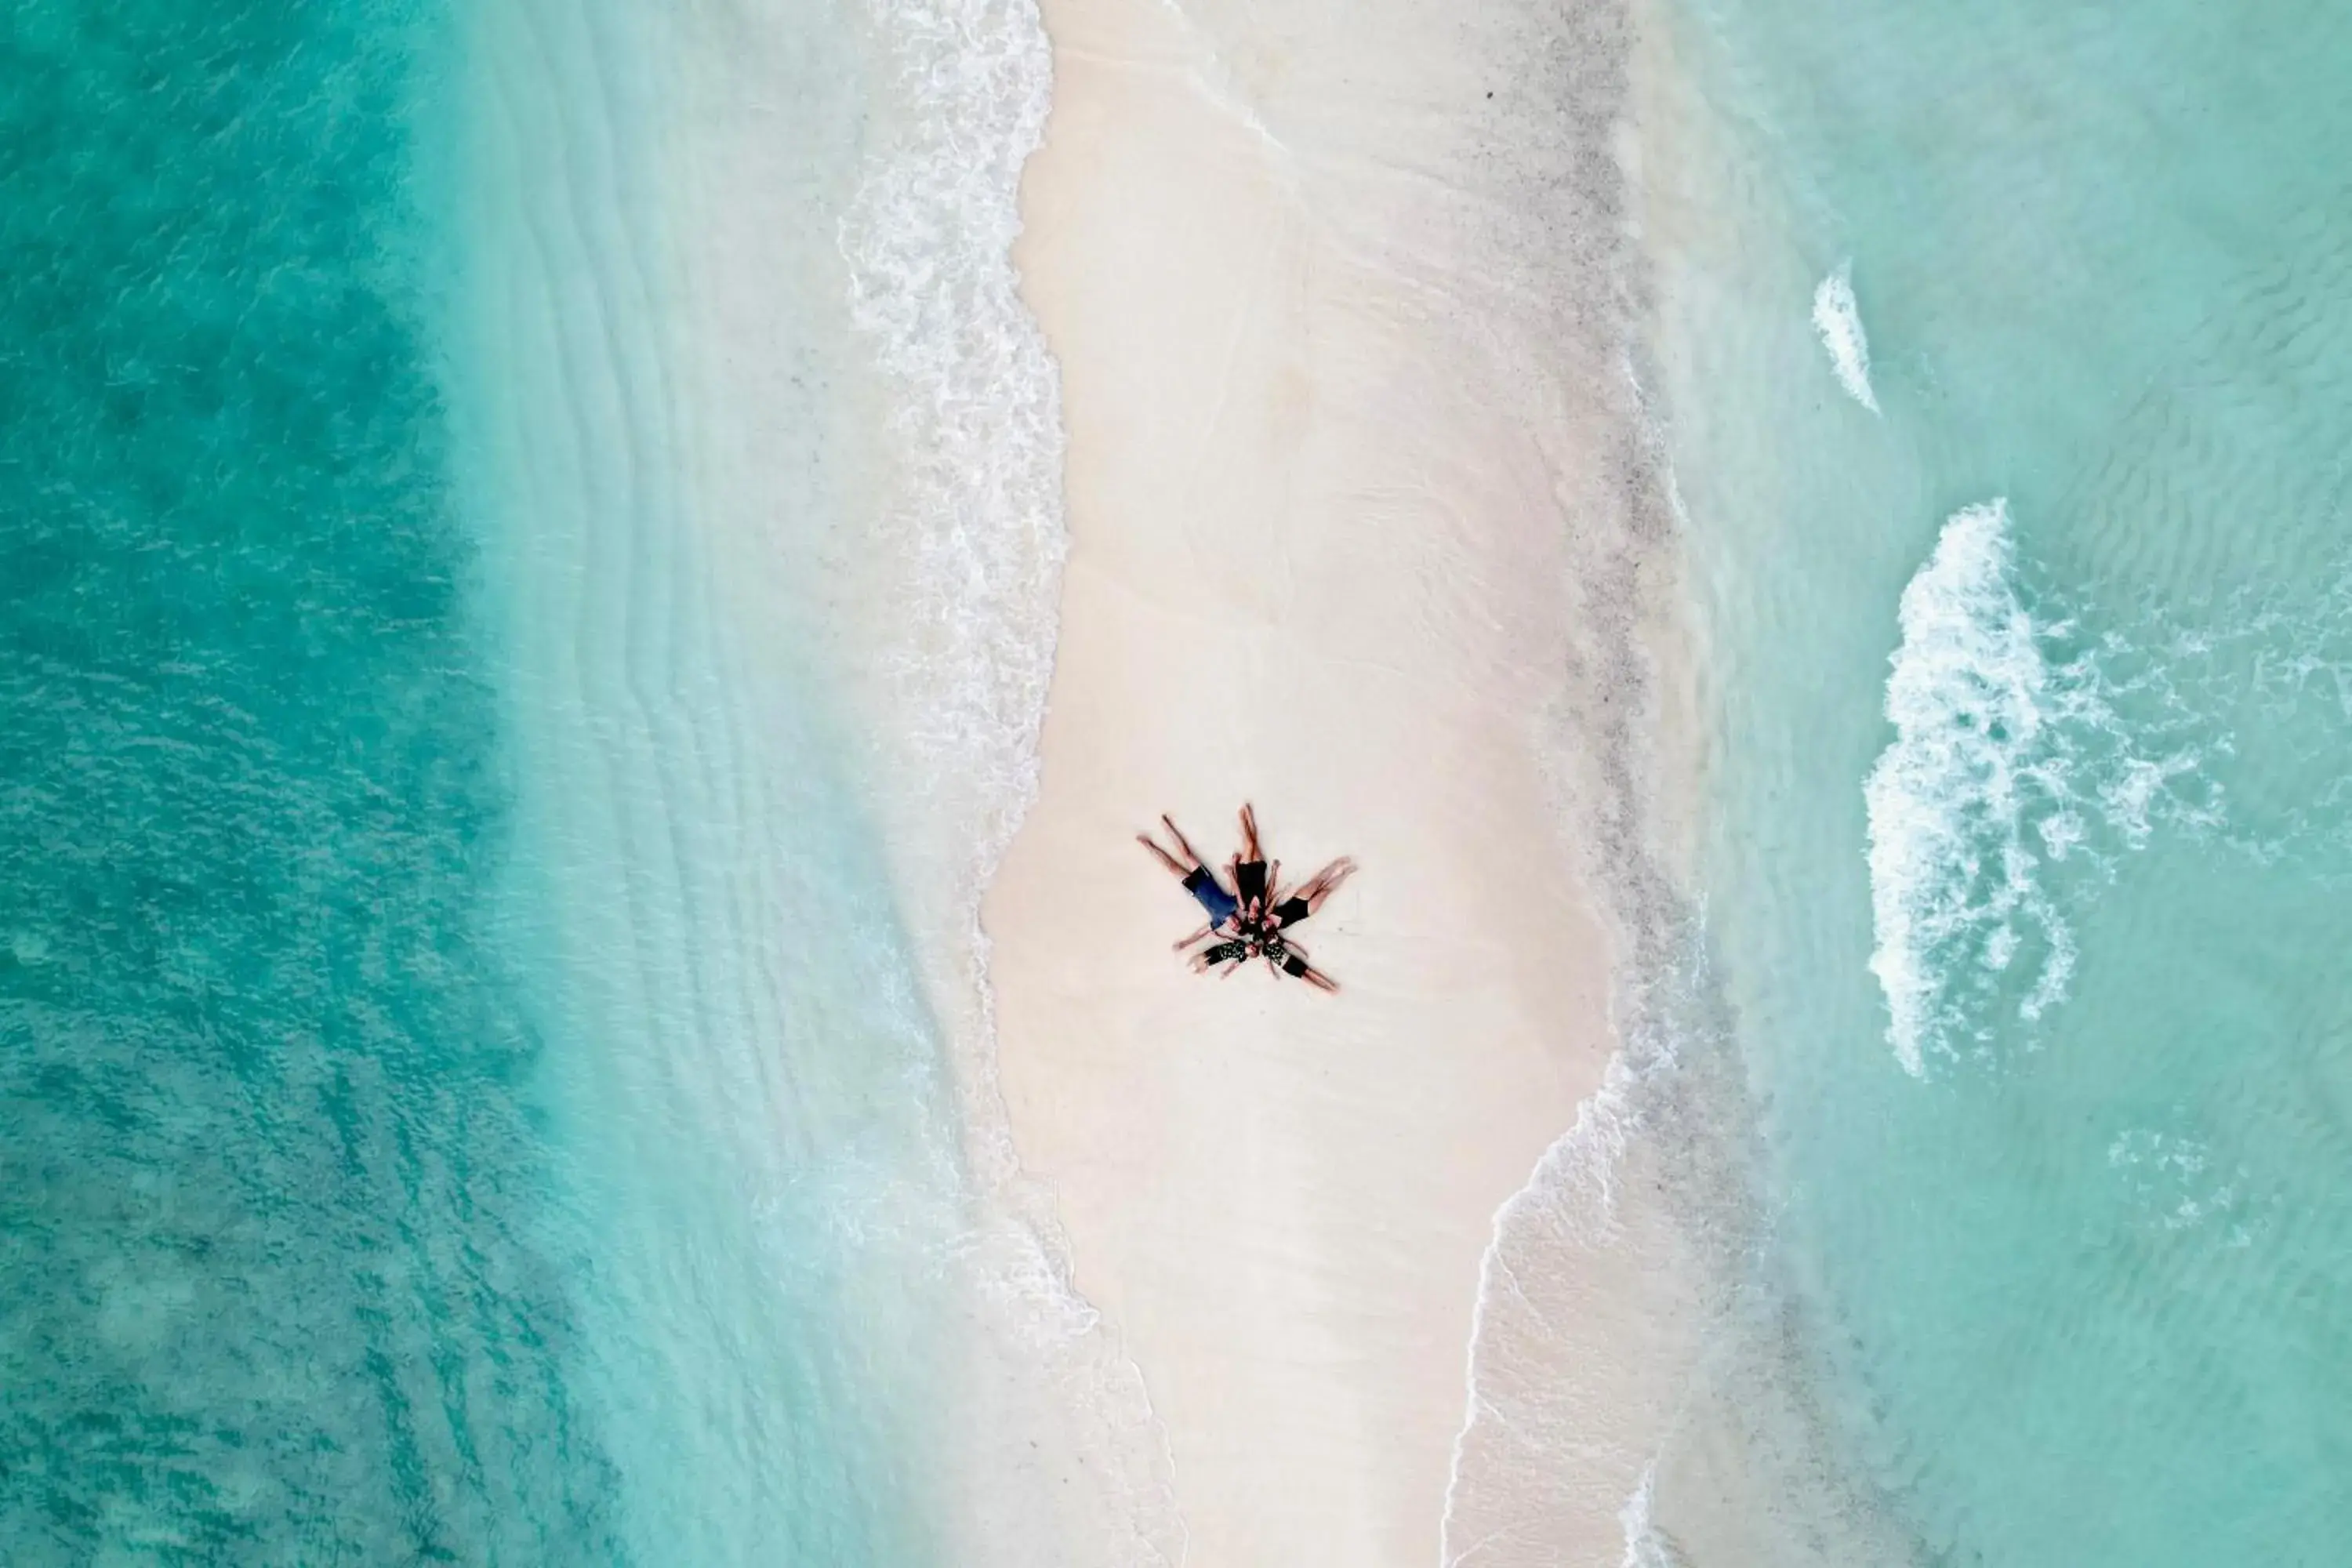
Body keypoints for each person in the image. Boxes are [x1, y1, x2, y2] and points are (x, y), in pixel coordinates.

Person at [1138, 815, 1240, 930]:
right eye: (1238, 924)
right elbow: (1234, 888)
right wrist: (1234, 865)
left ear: (1230, 928)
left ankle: (1148, 845)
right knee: (1186, 853)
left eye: (1234, 928)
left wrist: (1185, 943)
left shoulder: (1218, 922)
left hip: (1194, 889)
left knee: (1171, 866)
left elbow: (1201, 933)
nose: (1235, 924)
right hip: (1204, 878)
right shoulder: (1233, 905)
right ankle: (1167, 826)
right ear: (1238, 920)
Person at [1265, 855, 1356, 931]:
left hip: (1297, 899)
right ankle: (1346, 873)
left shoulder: (1267, 913)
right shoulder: (1277, 929)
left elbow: (1275, 900)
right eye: (1266, 928)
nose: (1267, 925)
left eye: (1264, 924)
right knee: (1326, 891)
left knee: (1318, 880)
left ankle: (1337, 864)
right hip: (1305, 912)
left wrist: (1284, 890)